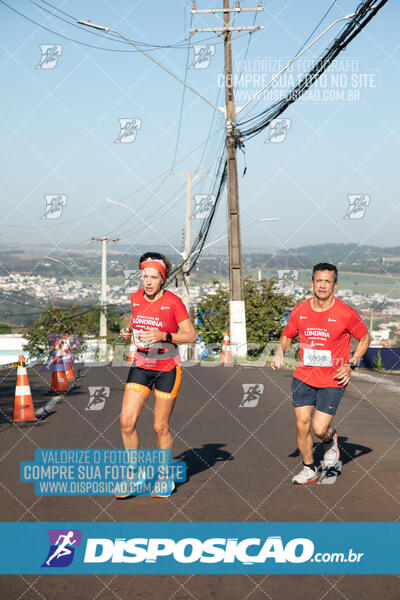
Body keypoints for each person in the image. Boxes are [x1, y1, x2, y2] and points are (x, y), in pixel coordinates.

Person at [271, 263, 370, 485]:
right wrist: (279, 352)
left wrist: (351, 364)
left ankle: (330, 439)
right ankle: (309, 468)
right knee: (302, 424)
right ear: (312, 283)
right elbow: (287, 335)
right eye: (319, 280)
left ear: (335, 285)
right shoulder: (300, 310)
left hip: (333, 379)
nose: (322, 285)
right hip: (304, 376)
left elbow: (364, 338)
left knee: (319, 429)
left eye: (327, 281)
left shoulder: (345, 313)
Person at [118, 252, 196, 498]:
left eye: (154, 277)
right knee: (126, 421)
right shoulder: (136, 298)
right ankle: (133, 475)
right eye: (144, 276)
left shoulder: (173, 302)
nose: (148, 282)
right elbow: (136, 319)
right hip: (141, 365)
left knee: (159, 426)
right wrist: (127, 330)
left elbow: (191, 336)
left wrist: (164, 336)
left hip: (166, 368)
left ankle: (164, 478)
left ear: (163, 279)